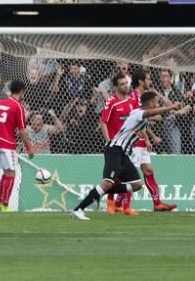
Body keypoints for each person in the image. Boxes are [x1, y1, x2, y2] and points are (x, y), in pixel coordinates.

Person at [71, 91, 184, 220]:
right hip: (114, 149)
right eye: (157, 102)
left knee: (136, 185)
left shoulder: (141, 117)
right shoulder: (139, 113)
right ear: (152, 103)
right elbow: (151, 114)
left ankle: (99, 192)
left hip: (123, 153)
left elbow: (152, 120)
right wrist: (172, 107)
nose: (157, 104)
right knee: (107, 183)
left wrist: (176, 110)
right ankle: (78, 209)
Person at [127, 69, 178, 213]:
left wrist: (149, 137)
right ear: (141, 82)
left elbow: (142, 121)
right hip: (133, 140)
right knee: (130, 174)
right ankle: (120, 204)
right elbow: (134, 121)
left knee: (148, 170)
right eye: (148, 79)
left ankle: (157, 203)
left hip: (141, 139)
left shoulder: (142, 97)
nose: (150, 82)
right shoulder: (134, 98)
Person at [0, 79, 35, 212]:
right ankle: (5, 205)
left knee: (6, 172)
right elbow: (22, 130)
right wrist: (29, 147)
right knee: (11, 173)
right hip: (6, 143)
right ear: (22, 91)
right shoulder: (18, 106)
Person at [100, 72, 136, 215]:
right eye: (122, 84)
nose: (125, 86)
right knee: (112, 176)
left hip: (128, 145)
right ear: (116, 87)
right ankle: (110, 203)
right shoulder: (112, 102)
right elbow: (103, 121)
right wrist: (108, 140)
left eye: (126, 83)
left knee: (129, 177)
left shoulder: (132, 102)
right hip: (114, 146)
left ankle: (126, 207)